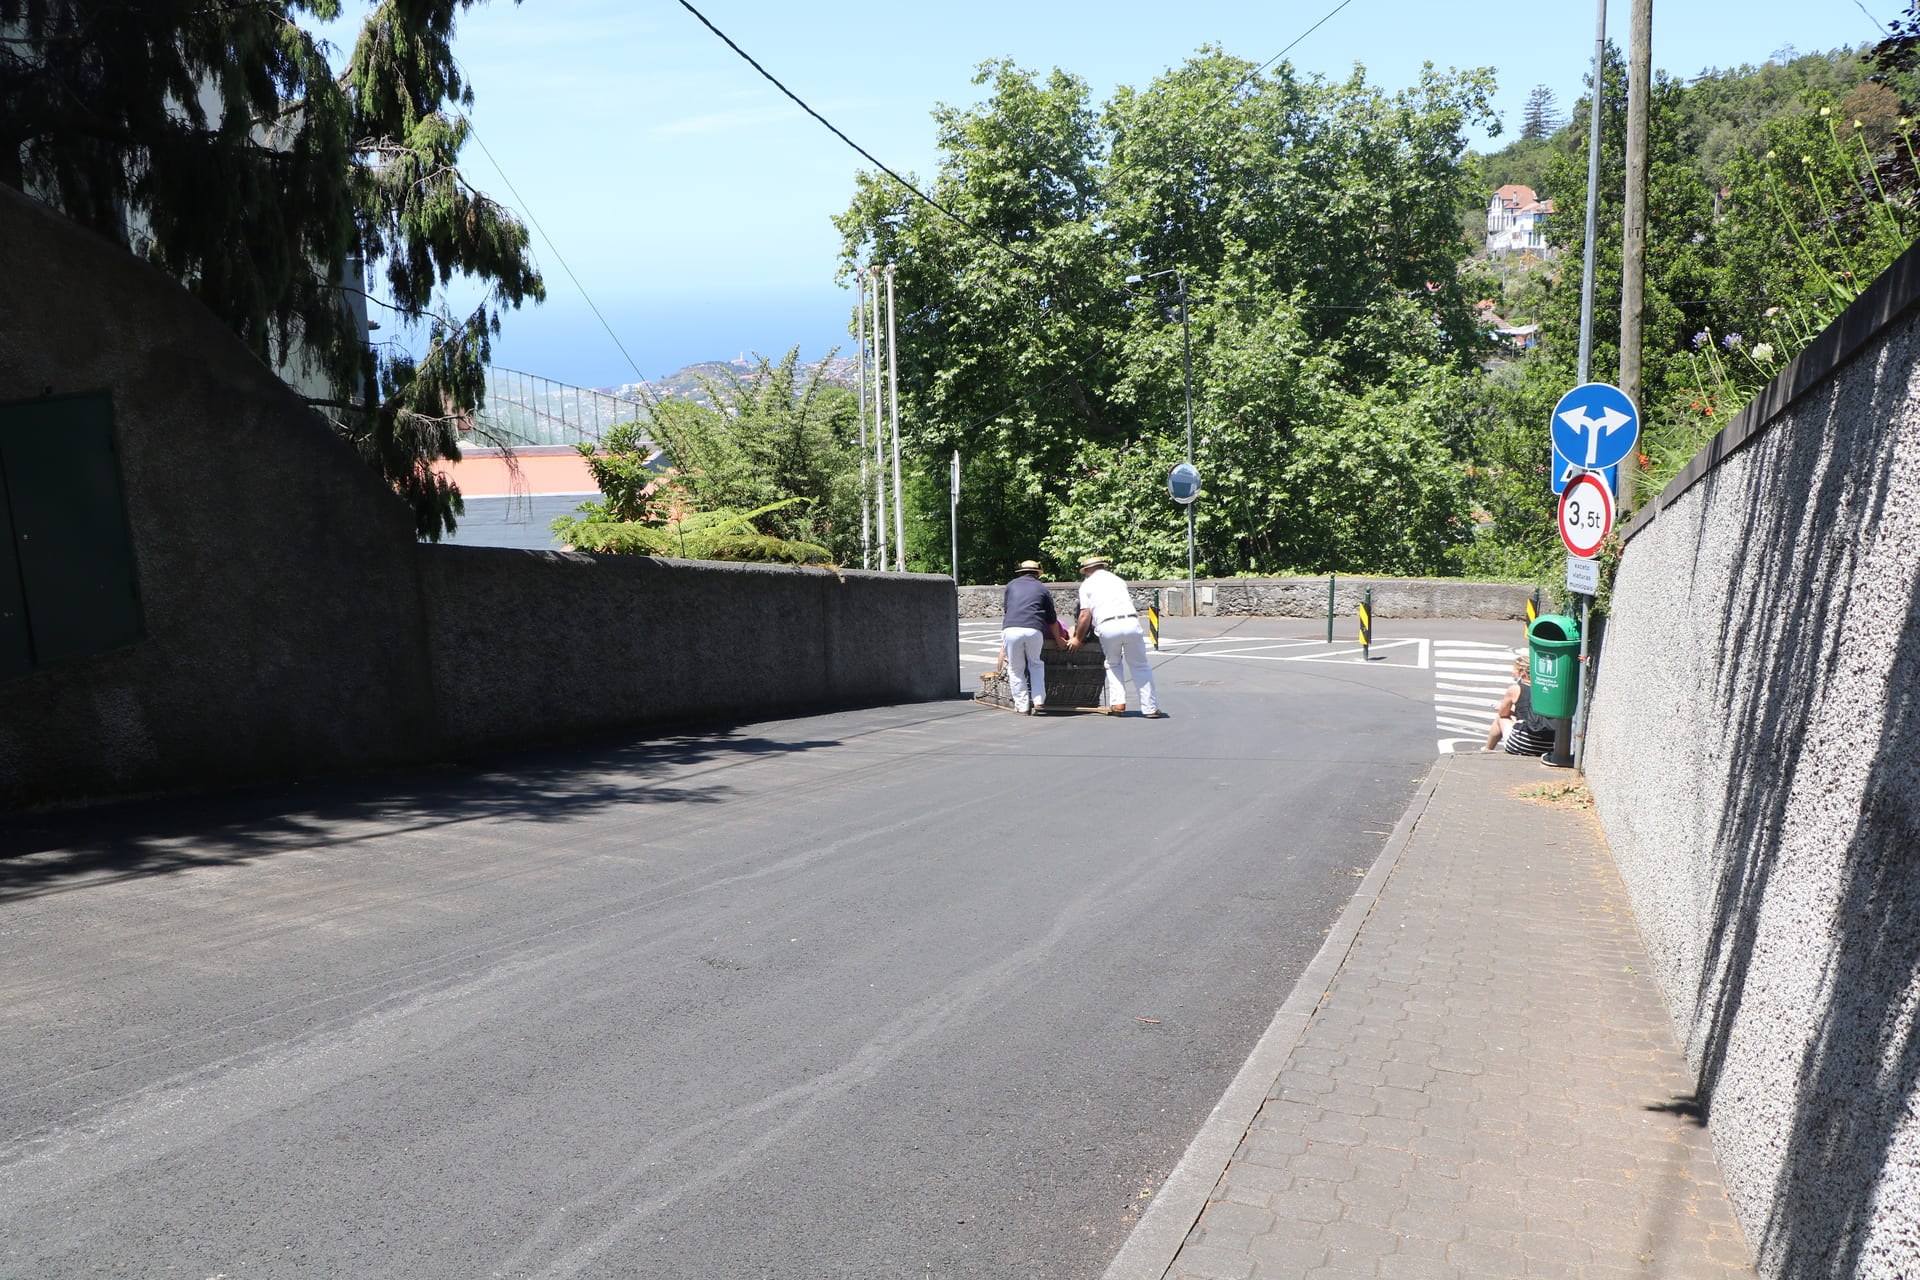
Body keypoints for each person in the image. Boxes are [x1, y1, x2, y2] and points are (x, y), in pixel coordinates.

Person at [1067, 554, 1161, 718]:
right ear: (1102, 567)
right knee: (1140, 665)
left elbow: (1084, 615)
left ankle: (1118, 703)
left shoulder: (1087, 585)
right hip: (1130, 622)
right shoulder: (1118, 580)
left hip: (1107, 624)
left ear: (1088, 571)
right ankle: (1150, 708)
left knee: (1113, 663)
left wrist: (1077, 638)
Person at [1000, 559, 1060, 715]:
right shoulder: (1042, 588)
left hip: (1012, 628)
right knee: (1036, 664)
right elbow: (1051, 619)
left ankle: (1022, 707)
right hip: (1034, 629)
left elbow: (1007, 609)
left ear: (1021, 573)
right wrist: (1059, 640)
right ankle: (1039, 701)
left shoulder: (1011, 585)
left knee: (1015, 668)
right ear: (1037, 574)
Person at [1488, 647, 1554, 755]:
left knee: (1500, 718)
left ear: (1522, 672)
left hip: (1522, 744)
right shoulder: (1545, 689)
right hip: (1548, 747)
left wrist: (1504, 708)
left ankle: (1487, 749)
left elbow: (1503, 713)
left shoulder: (1515, 689)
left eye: (1514, 669)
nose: (1512, 672)